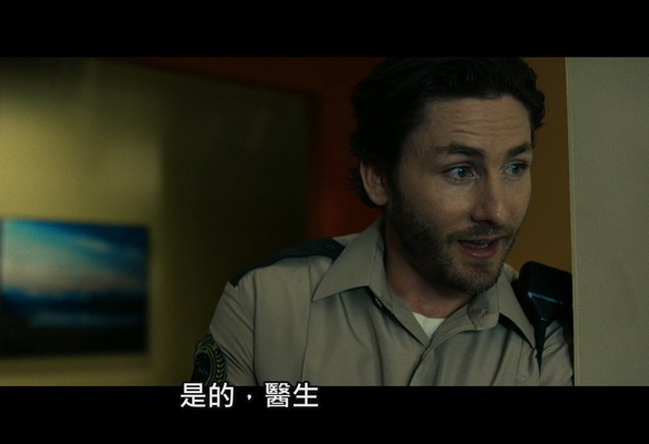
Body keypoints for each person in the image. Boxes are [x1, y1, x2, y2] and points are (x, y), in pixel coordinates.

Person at [191, 58, 574, 386]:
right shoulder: (267, 301)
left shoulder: (554, 334)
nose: (497, 211)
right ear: (379, 179)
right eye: (460, 171)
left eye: (514, 167)